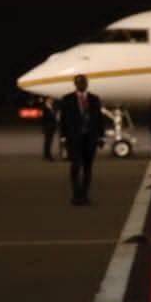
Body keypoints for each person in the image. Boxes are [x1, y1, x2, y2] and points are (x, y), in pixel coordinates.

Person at [58, 74, 104, 205]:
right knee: (75, 167)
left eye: (83, 82)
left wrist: (101, 136)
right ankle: (76, 195)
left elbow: (99, 119)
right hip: (74, 139)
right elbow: (63, 120)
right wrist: (63, 137)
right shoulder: (67, 99)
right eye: (79, 82)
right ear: (75, 84)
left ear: (87, 83)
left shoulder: (94, 99)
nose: (81, 84)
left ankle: (84, 195)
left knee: (88, 169)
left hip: (90, 139)